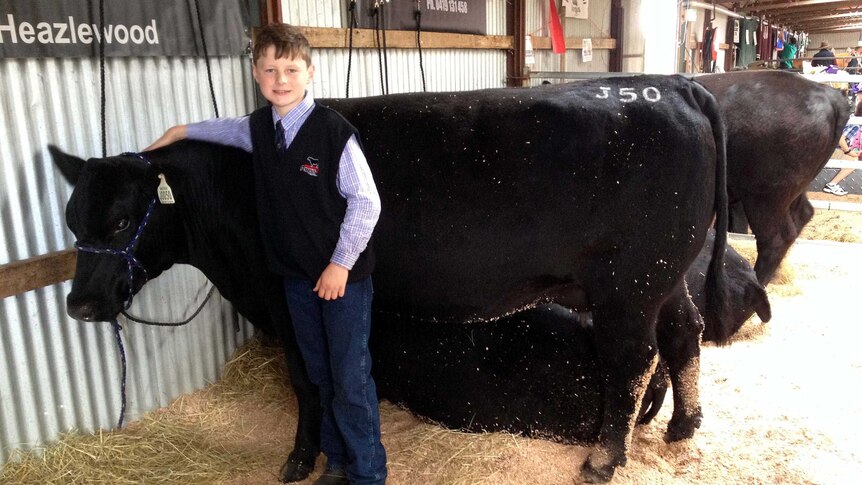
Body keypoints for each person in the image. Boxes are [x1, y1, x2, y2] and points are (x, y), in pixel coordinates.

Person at [146, 23, 386, 485]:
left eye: (291, 69)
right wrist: (179, 131)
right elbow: (225, 130)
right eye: (270, 69)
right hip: (297, 280)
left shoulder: (334, 133)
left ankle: (368, 474)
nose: (281, 79)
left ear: (310, 73)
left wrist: (341, 264)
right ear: (256, 73)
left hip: (342, 281)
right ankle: (336, 464)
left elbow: (367, 202)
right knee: (319, 375)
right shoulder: (258, 129)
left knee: (350, 380)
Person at [823, 123, 859, 196]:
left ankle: (831, 185)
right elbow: (840, 139)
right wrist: (848, 152)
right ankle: (832, 185)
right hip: (827, 149)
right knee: (853, 161)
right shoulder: (855, 124)